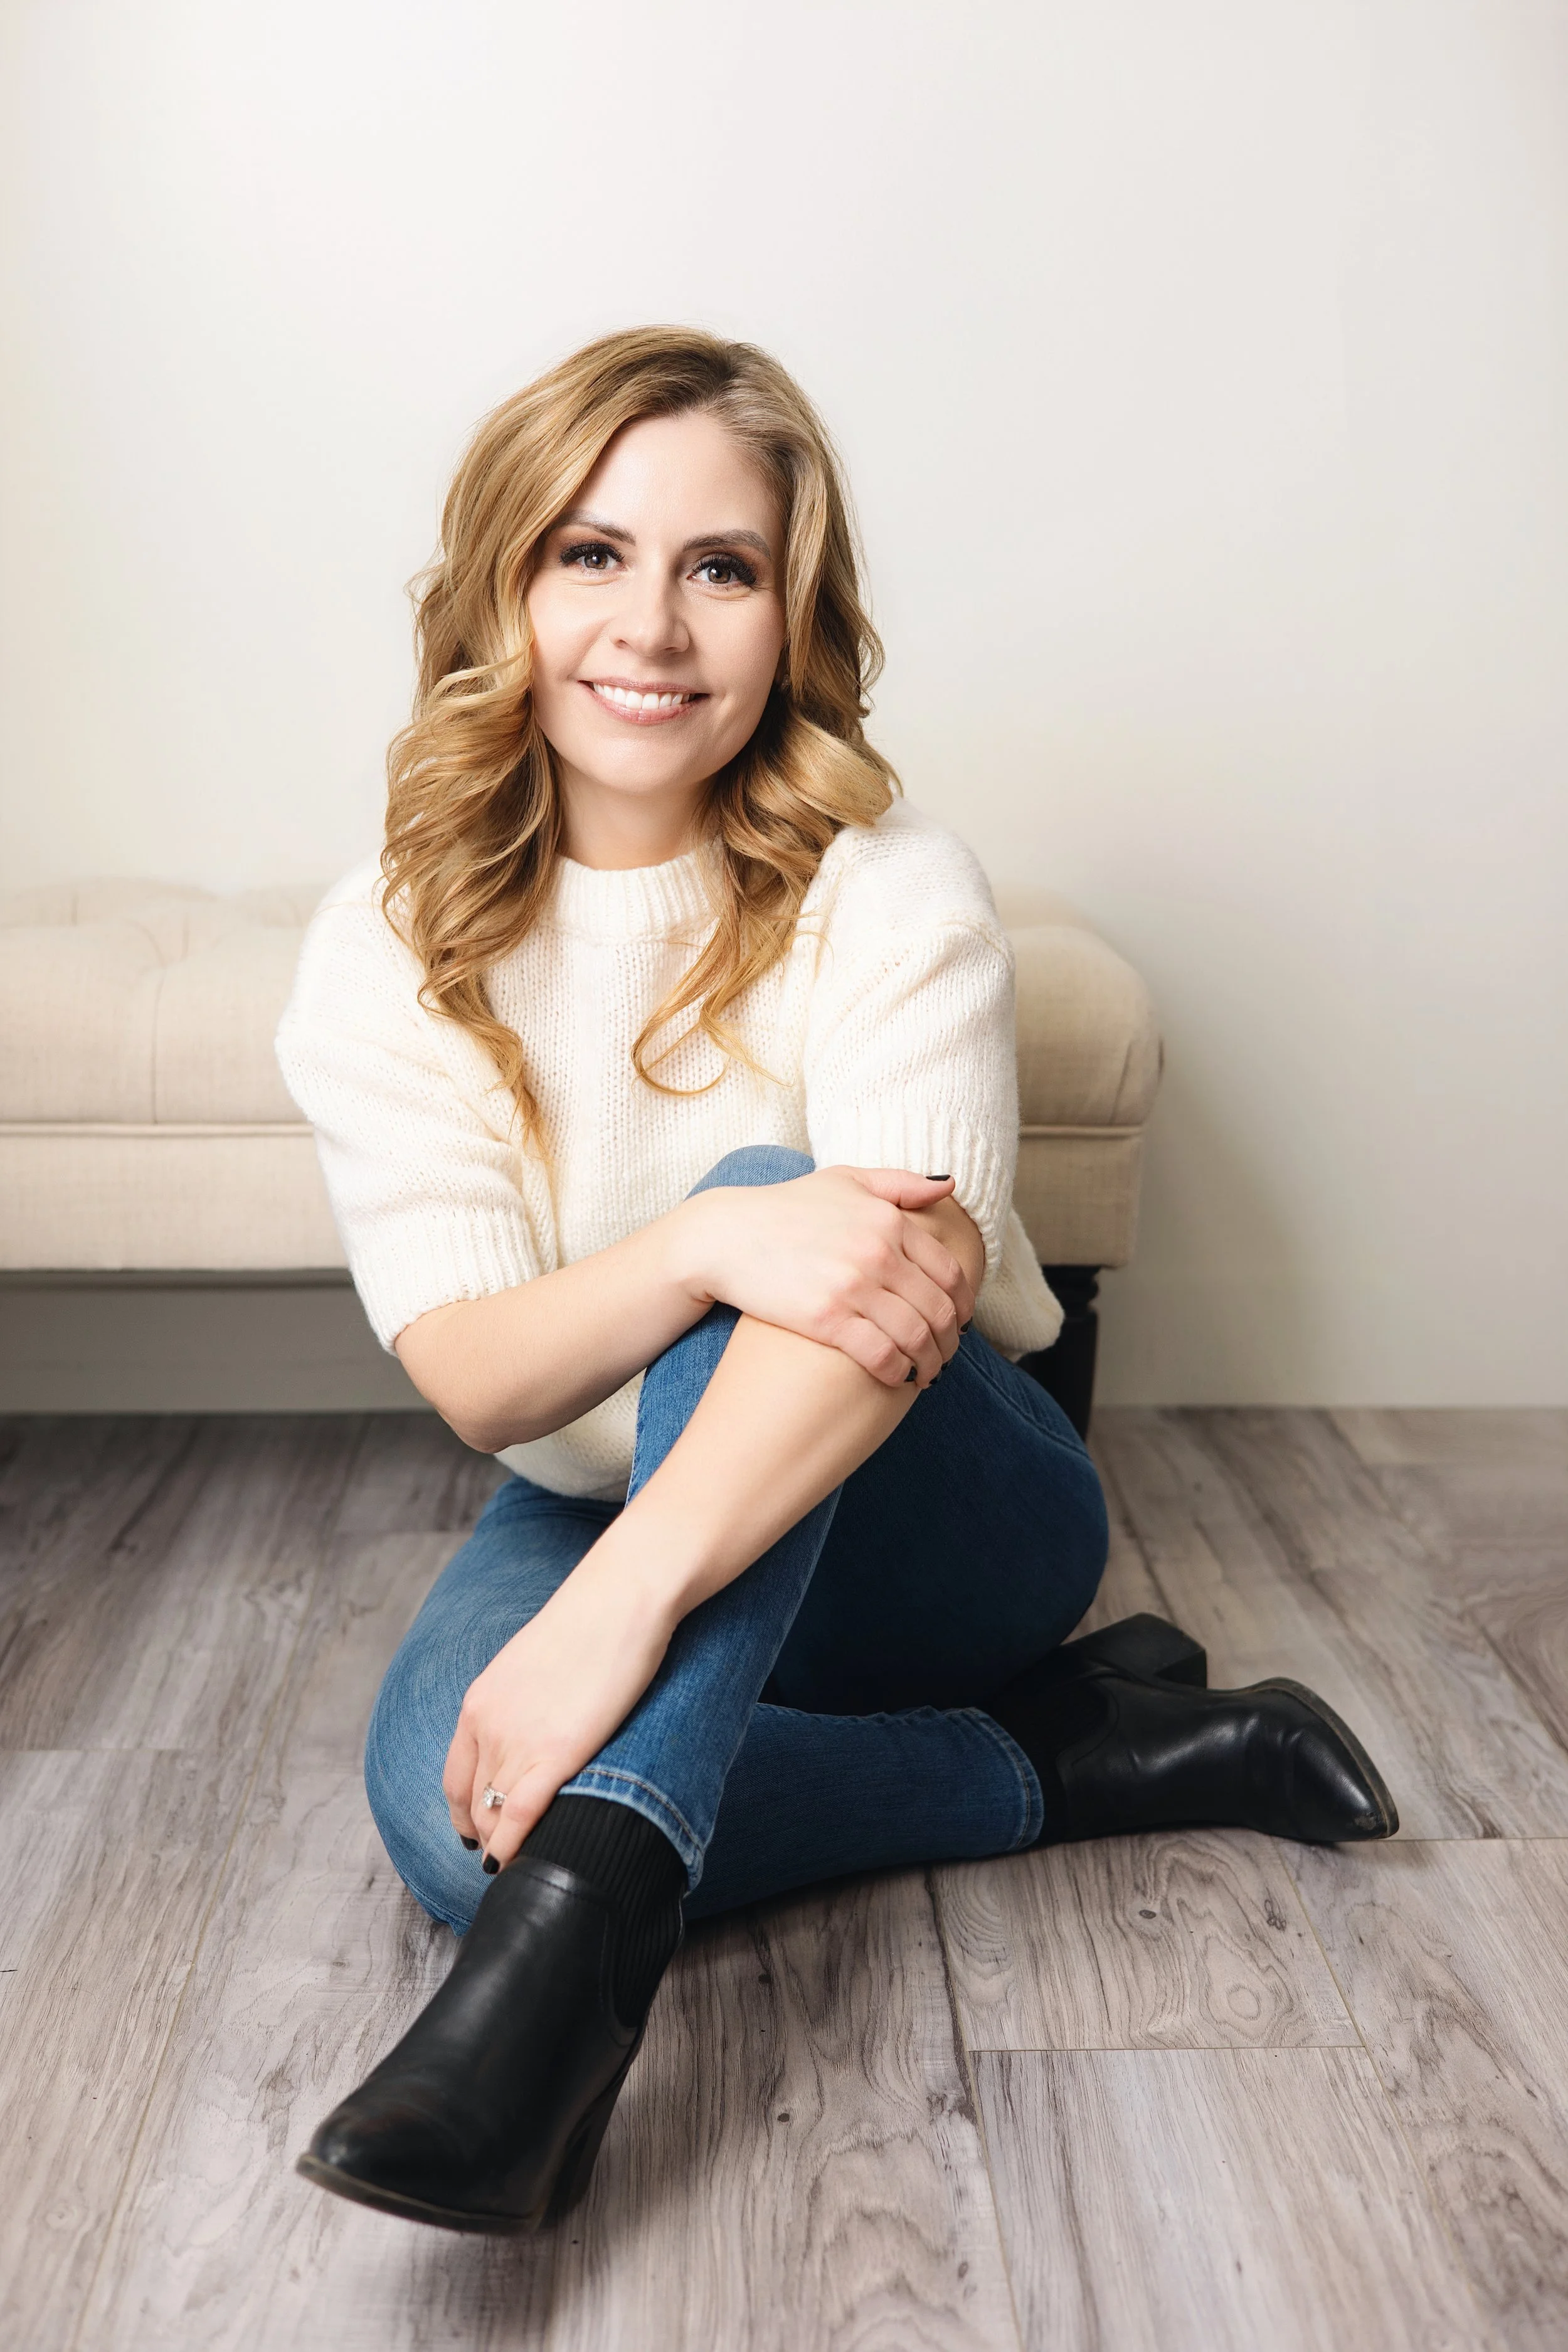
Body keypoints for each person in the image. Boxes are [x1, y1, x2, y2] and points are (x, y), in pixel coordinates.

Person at [276, 327, 1396, 2237]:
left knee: (794, 1204)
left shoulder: (888, 884)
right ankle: (1059, 1756)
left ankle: (558, 2014)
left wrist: (615, 1612)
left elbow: (913, 1274)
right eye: (591, 553)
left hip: (939, 1510)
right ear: (502, 588)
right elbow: (476, 1373)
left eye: (719, 568)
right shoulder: (391, 945)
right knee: (446, 1825)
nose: (651, 626)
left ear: (790, 617)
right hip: (600, 1500)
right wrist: (693, 1251)